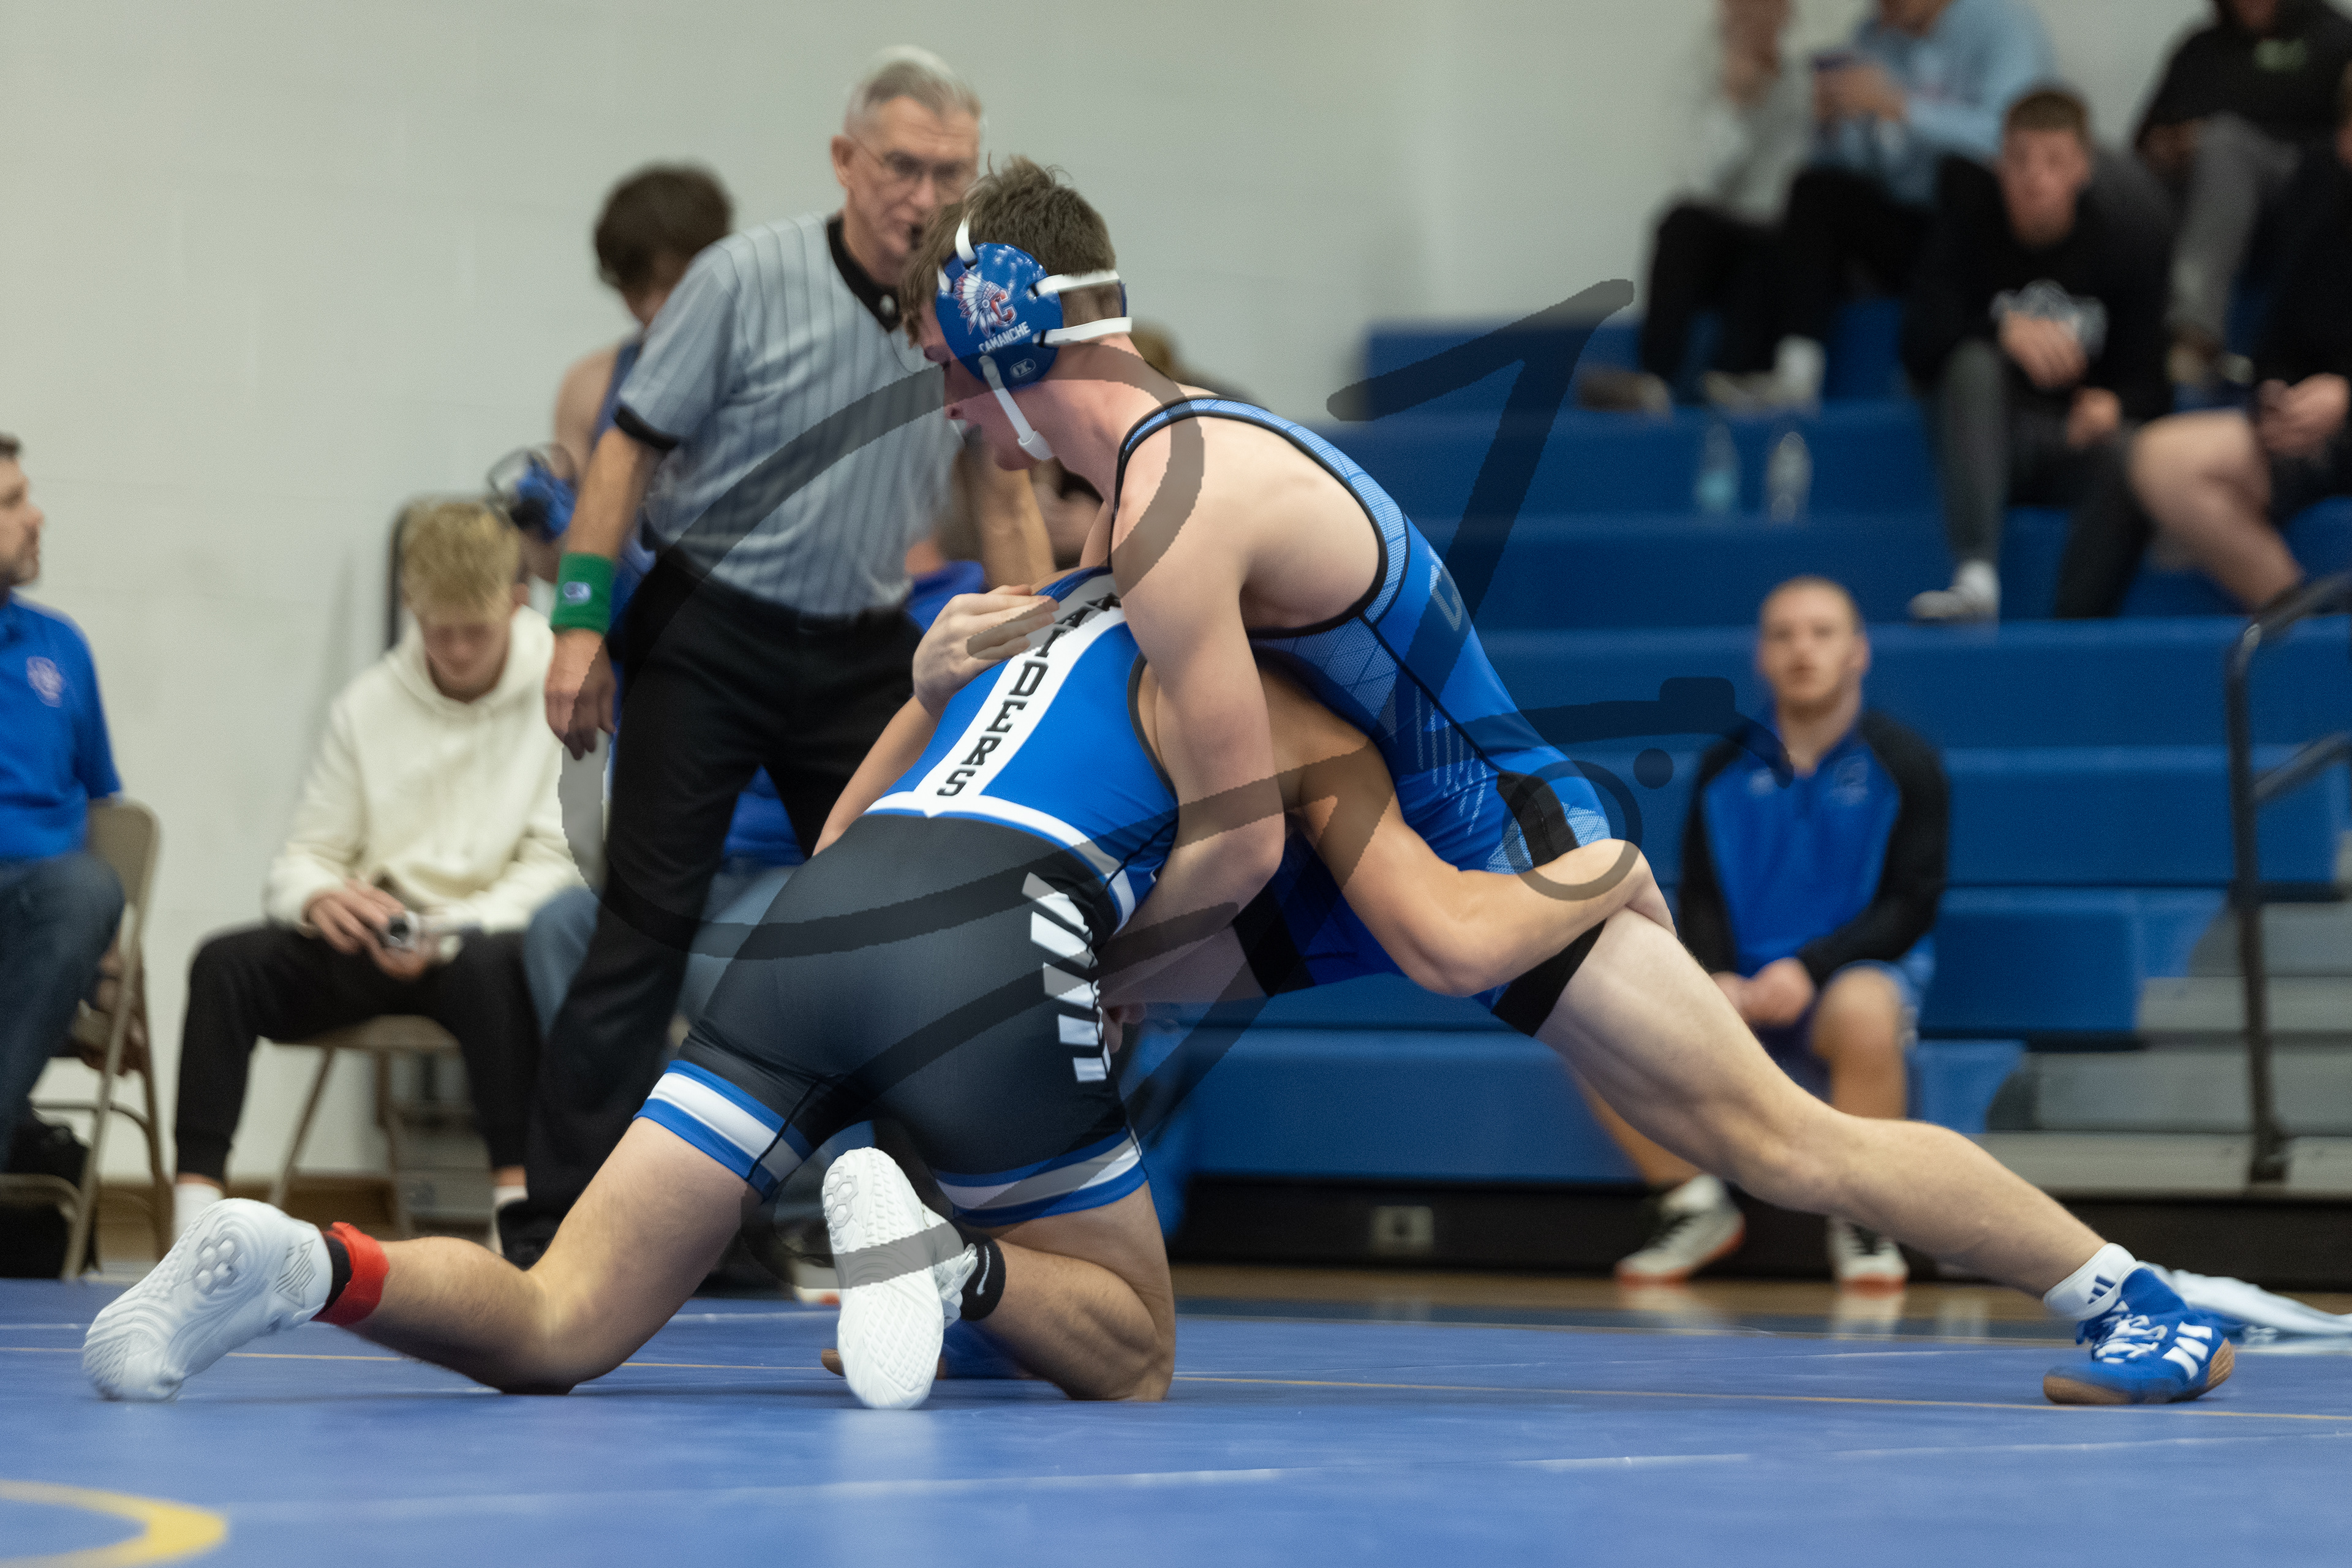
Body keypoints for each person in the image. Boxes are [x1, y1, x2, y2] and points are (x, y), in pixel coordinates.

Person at [900, 158, 2230, 1404]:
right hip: (1387, 843)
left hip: (1501, 841)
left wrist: (1112, 943)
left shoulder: (1173, 500)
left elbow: (1236, 840)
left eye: (952, 372)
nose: (950, 410)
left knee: (1778, 1141)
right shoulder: (1157, 482)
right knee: (1038, 974)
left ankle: (2134, 1298)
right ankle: (1015, 1295)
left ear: (1007, 337)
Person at [84, 568, 1668, 1412]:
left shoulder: (1007, 638)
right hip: (989, 951)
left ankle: (308, 1260)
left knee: (560, 1320)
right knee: (1131, 1344)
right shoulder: (1246, 689)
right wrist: (1603, 869)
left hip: (817, 928)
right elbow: (1405, 925)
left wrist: (918, 701)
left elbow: (843, 840)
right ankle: (945, 1263)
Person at [512, 45, 1052, 1264]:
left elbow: (1002, 485)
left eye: (953, 173)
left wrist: (1030, 657)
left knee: (909, 933)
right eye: (903, 167)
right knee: (644, 930)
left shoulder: (973, 304)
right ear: (846, 162)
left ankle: (936, 1236)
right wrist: (581, 624)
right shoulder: (742, 279)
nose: (926, 197)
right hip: (708, 630)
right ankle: (557, 1234)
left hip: (862, 647)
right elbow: (624, 451)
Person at [169, 503, 579, 1242]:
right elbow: (304, 855)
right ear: (410, 608)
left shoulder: (563, 692)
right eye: (439, 631)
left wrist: (446, 927)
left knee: (493, 968)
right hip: (378, 942)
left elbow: (558, 869)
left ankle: (514, 1217)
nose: (456, 651)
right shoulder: (367, 705)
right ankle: (194, 1221)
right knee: (223, 965)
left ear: (519, 603)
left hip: (481, 942)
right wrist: (318, 897)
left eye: (476, 632)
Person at [1588, 578, 1945, 1290]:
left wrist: (1811, 968)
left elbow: (1911, 904)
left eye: (1822, 632)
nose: (1802, 649)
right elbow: (1703, 894)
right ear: (1761, 656)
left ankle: (1863, 1214)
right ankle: (1692, 1203)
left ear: (1858, 652)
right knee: (1593, 1010)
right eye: (1783, 634)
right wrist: (1715, 973)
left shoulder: (1906, 763)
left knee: (1865, 1009)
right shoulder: (1724, 765)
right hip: (1743, 985)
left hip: (1848, 976)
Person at [2060, 66, 2352, 615]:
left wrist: (2348, 393)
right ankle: (2311, 622)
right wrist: (2278, 397)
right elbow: (2282, 332)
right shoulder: (2322, 190)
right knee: (2154, 459)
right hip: (2316, 428)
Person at [1901, 88, 2170, 622]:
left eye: (2053, 162)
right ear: (1999, 166)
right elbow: (1917, 347)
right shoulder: (1967, 229)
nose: (2034, 178)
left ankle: (2076, 628)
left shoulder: (2126, 244)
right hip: (1983, 436)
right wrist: (2000, 330)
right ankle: (1976, 579)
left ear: (2084, 169)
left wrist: (2115, 406)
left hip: (2074, 440)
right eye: (2020, 160)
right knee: (1973, 362)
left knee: (2128, 454)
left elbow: (2154, 386)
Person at [1722, 0, 2055, 410]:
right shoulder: (1873, 38)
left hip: (1981, 235)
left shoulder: (2002, 24)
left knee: (1961, 177)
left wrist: (1902, 107)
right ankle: (1795, 374)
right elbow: (1866, 166)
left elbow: (2014, 140)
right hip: (1908, 227)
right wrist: (1831, 127)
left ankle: (1927, 365)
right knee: (1814, 190)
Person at [1584, 0, 1811, 413]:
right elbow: (1699, 180)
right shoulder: (1697, 72)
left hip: (1772, 237)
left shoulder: (1802, 83)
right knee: (1680, 225)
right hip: (1714, 230)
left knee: (1776, 248)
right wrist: (1735, 102)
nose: (1757, 16)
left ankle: (1737, 383)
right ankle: (1655, 379)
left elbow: (1795, 187)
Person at [0, 432, 125, 1163]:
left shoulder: (61, 648)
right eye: (12, 502)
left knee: (87, 887)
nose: (36, 516)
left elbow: (103, 812)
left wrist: (112, 965)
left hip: (41, 919)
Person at [2135, 0, 2352, 388]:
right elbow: (2147, 138)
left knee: (2227, 144)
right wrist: (2176, 145)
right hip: (2210, 189)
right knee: (2205, 152)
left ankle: (2196, 336)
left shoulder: (2332, 36)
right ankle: (2143, 347)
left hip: (2306, 181)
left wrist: (2216, 139)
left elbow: (2342, 134)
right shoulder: (2201, 48)